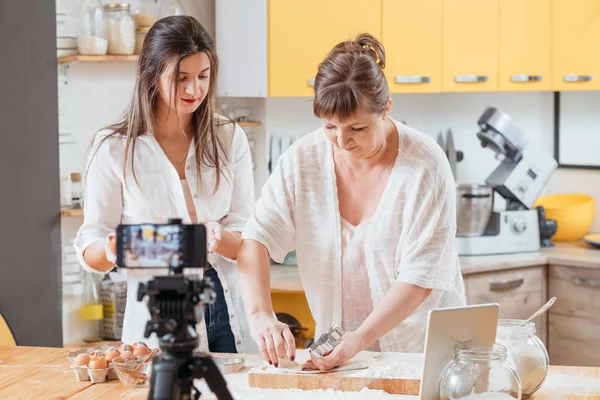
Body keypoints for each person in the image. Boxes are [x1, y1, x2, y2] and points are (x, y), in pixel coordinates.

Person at [237, 33, 466, 370]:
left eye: (357, 128)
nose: (342, 141)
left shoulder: (425, 165)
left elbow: (420, 279)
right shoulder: (304, 159)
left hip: (423, 353)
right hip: (341, 358)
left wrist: (360, 337)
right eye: (330, 126)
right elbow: (255, 238)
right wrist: (260, 315)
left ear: (386, 109)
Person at [73, 16, 256, 354]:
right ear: (152, 75)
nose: (193, 90)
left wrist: (219, 236)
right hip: (160, 310)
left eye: (203, 77)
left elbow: (247, 230)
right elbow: (91, 243)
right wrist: (115, 248)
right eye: (180, 78)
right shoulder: (114, 147)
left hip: (227, 303)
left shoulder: (229, 137)